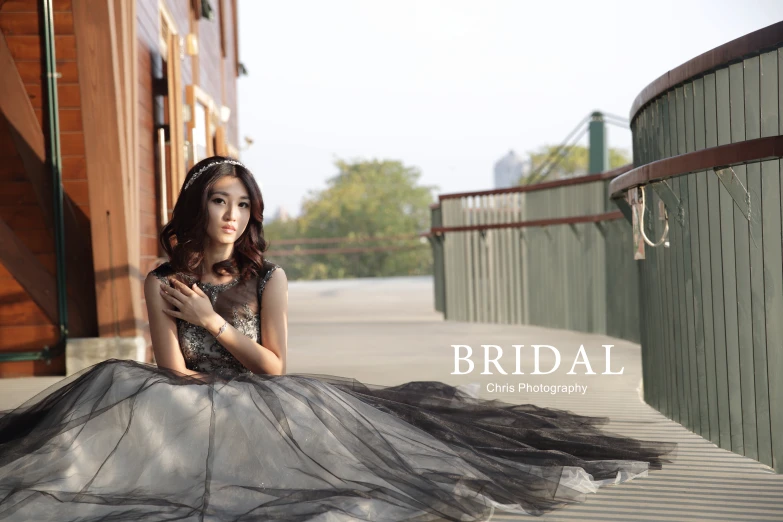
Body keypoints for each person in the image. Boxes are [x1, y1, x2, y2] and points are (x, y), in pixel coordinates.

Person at [0, 156, 677, 521]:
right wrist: (191, 345)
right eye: (219, 201)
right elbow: (172, 371)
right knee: (124, 388)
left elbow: (272, 366)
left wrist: (209, 321)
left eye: (243, 205)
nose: (231, 216)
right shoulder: (160, 281)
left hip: (257, 395)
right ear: (195, 205)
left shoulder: (268, 277)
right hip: (185, 398)